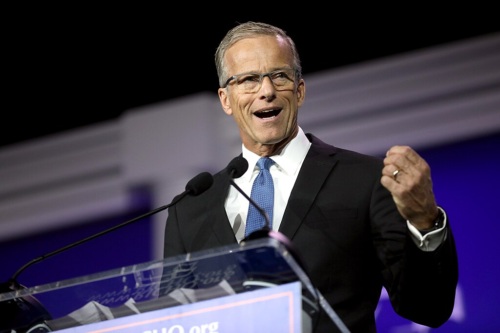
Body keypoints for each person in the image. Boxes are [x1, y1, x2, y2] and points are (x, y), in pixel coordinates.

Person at [163, 21, 458, 332]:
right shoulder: (190, 209)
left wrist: (426, 222)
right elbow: (171, 322)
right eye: (249, 79)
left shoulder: (364, 180)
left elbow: (428, 307)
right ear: (226, 99)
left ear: (300, 90)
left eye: (279, 76)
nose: (267, 91)